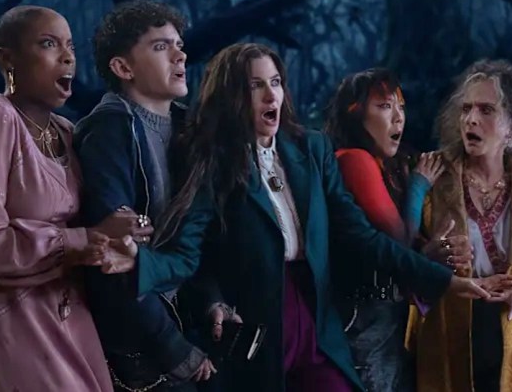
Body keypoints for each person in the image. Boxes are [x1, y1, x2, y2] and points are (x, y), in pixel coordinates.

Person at [151, 43, 492, 392]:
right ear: (231, 96)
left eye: (276, 82)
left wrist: (443, 280)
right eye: (255, 85)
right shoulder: (214, 162)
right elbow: (192, 254)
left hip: (316, 310)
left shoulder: (311, 148)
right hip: (257, 322)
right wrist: (202, 297)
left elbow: (361, 235)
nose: (271, 95)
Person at [0, 6, 139, 392]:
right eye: (49, 44)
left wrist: (123, 236)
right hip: (10, 323)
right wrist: (83, 239)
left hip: (69, 320)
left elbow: (92, 229)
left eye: (71, 46)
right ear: (7, 59)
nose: (67, 57)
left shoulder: (65, 130)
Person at [406, 59, 512, 392]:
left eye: (486, 110)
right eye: (466, 109)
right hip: (447, 330)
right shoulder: (431, 173)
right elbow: (399, 254)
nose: (471, 119)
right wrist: (432, 256)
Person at [73, 0, 214, 392]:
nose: (179, 55)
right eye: (160, 46)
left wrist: (212, 300)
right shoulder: (109, 132)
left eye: (179, 45)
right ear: (123, 68)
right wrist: (172, 348)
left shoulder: (190, 129)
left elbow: (199, 236)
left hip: (192, 323)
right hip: (140, 347)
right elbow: (114, 257)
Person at [323, 67, 445, 391]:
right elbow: (398, 240)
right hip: (366, 320)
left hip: (387, 317)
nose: (398, 117)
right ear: (354, 113)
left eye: (401, 106)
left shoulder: (383, 165)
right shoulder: (354, 159)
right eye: (384, 106)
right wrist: (418, 187)